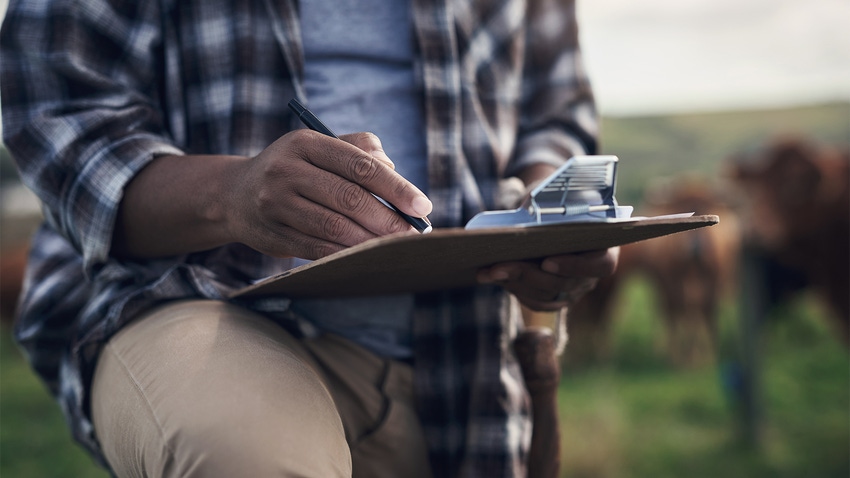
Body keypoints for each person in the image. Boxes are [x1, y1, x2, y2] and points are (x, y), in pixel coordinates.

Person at [0, 0, 617, 476]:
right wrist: (228, 192)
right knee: (242, 455)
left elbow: (555, 112)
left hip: (469, 343)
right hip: (197, 299)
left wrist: (555, 216)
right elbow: (56, 107)